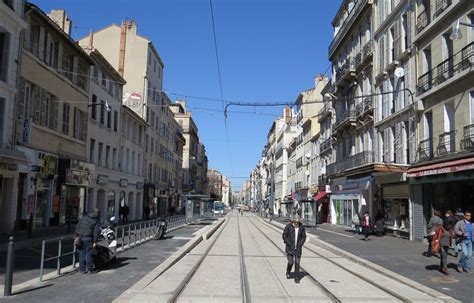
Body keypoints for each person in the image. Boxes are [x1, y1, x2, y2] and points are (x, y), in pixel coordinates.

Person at [282, 215, 307, 283]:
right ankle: (288, 271)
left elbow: (304, 237)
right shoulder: (288, 227)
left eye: (298, 222)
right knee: (290, 262)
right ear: (292, 221)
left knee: (297, 263)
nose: (296, 224)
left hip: (298, 248)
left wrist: (300, 244)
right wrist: (289, 243)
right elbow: (284, 235)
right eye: (295, 222)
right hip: (290, 248)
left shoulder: (301, 227)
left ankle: (296, 277)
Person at [75, 209, 100, 274]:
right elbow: (96, 232)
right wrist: (95, 241)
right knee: (89, 253)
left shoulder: (84, 218)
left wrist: (77, 236)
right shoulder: (95, 220)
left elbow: (77, 226)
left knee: (81, 253)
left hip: (80, 237)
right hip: (88, 238)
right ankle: (90, 269)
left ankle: (81, 269)